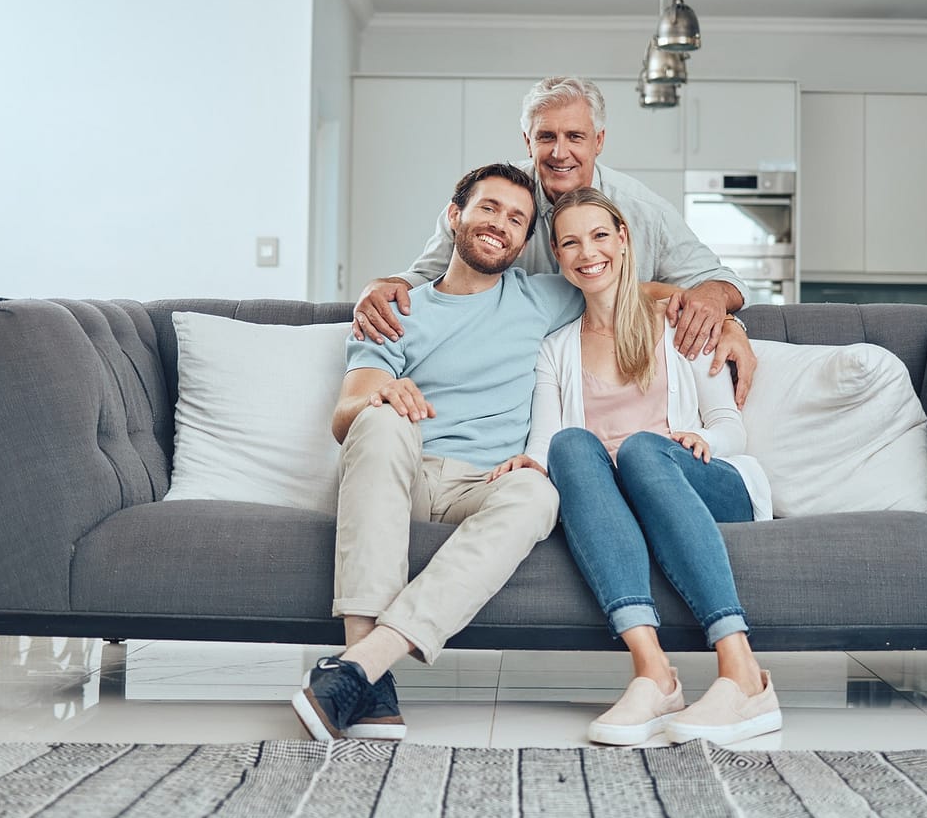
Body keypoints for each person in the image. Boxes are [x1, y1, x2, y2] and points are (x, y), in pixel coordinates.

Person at [294, 162, 585, 742]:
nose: (500, 225)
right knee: (377, 420)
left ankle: (361, 669)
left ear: (526, 241)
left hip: (485, 485)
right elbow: (343, 417)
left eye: (516, 219)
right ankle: (363, 670)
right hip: (406, 473)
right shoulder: (395, 310)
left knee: (538, 491)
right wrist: (381, 393)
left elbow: (638, 293)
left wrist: (721, 318)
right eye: (488, 208)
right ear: (454, 216)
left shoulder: (544, 298)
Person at [519, 186, 782, 748]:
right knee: (570, 444)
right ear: (559, 258)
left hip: (703, 480)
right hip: (619, 499)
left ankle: (744, 676)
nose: (587, 252)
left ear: (623, 239)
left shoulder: (679, 323)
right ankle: (654, 675)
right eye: (570, 242)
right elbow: (545, 445)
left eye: (598, 235)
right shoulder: (555, 348)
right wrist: (522, 467)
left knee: (641, 448)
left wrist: (699, 438)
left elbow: (731, 426)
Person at [351, 75, 760, 406]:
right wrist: (382, 286)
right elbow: (426, 276)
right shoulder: (494, 200)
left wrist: (724, 318)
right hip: (517, 385)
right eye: (546, 137)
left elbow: (718, 281)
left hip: (613, 376)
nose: (559, 152)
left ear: (598, 141)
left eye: (575, 137)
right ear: (527, 141)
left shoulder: (642, 210)